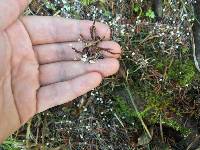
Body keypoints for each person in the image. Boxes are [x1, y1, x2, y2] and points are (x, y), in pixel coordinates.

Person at [0, 0, 121, 143]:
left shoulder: (96, 46)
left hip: (86, 53)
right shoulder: (92, 44)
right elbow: (90, 35)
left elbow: (96, 41)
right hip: (84, 51)